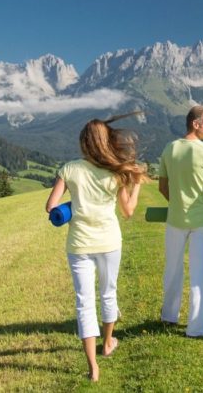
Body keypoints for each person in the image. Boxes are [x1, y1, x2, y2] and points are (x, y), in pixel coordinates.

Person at [45, 112, 147, 382]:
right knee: (108, 294)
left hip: (78, 243)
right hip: (109, 242)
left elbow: (50, 207)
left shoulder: (69, 169)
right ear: (105, 142)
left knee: (84, 303)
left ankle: (93, 368)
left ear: (84, 143)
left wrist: (70, 209)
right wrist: (136, 186)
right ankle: (108, 342)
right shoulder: (116, 171)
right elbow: (128, 211)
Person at [158, 105, 203, 337]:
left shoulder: (170, 148)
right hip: (201, 221)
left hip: (175, 218)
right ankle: (197, 328)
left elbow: (163, 186)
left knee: (173, 269)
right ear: (196, 124)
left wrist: (177, 201)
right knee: (201, 273)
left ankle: (169, 316)